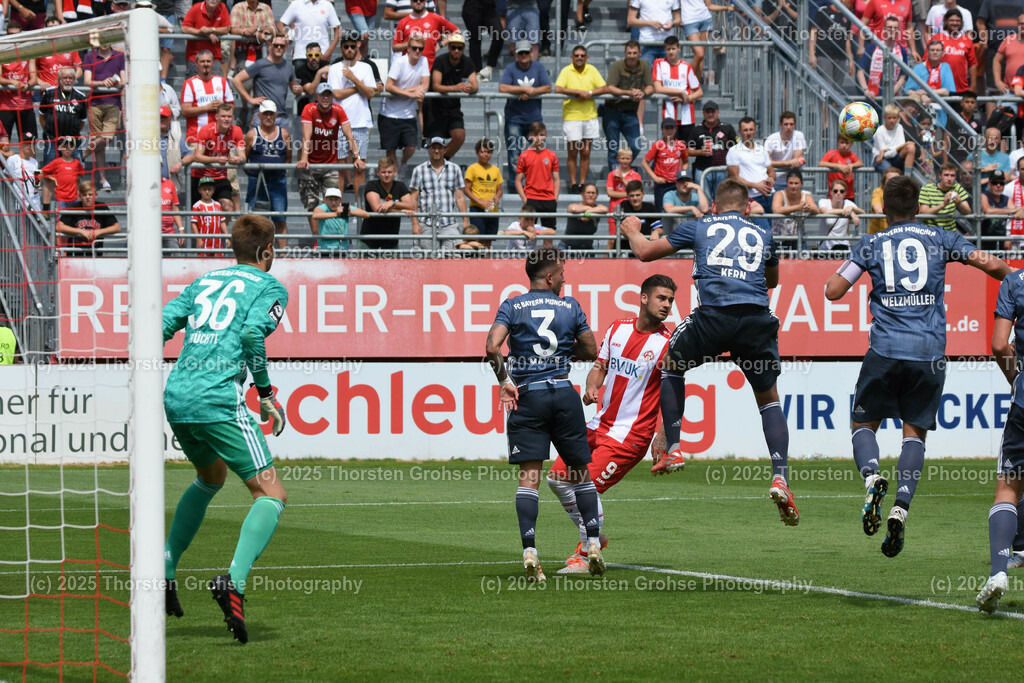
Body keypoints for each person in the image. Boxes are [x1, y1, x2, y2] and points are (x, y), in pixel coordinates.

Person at [824, 175, 1010, 557]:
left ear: (884, 208)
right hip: (929, 352)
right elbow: (987, 262)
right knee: (915, 434)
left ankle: (873, 475)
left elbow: (833, 291)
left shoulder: (871, 243)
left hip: (885, 350)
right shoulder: (941, 239)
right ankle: (900, 508)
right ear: (918, 207)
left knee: (862, 424)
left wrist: (855, 266)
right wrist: (1016, 278)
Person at [621, 179, 799, 526]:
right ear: (748, 207)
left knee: (672, 365)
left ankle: (674, 448)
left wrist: (631, 229)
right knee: (769, 399)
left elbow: (644, 251)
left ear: (714, 206)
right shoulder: (763, 233)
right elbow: (773, 280)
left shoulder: (700, 226)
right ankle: (781, 476)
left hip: (715, 314)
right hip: (755, 319)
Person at [161, 214, 289, 644]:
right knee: (271, 493)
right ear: (267, 251)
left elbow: (160, 323)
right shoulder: (270, 287)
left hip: (177, 395)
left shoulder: (204, 281)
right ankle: (232, 582)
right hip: (219, 399)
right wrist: (266, 393)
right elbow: (253, 334)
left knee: (210, 476)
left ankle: (164, 564)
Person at [484, 247, 602, 581]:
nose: (565, 279)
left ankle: (530, 551)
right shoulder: (569, 306)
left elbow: (492, 347)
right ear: (550, 276)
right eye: (562, 273)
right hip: (564, 394)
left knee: (529, 479)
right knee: (580, 473)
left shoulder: (513, 305)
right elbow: (592, 349)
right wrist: (564, 348)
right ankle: (592, 543)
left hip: (529, 397)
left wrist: (505, 381)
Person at [547, 274, 677, 573]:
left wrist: (663, 435)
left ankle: (584, 551)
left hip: (630, 436)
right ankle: (596, 537)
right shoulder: (617, 329)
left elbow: (672, 395)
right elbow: (599, 366)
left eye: (670, 300)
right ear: (643, 298)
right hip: (598, 426)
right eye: (661, 298)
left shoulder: (667, 344)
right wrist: (592, 386)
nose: (667, 305)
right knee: (556, 478)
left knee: (585, 486)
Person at [979, 257, 1024, 611]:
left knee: (1008, 487)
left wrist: (1016, 381)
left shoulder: (1015, 281)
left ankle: (999, 571)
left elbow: (998, 344)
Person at [298, 83, 364, 237]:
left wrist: (357, 157)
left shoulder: (338, 110)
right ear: (317, 97)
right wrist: (304, 159)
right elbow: (306, 136)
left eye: (328, 95)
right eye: (322, 95)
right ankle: (317, 239)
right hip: (311, 163)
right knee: (311, 204)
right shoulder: (309, 109)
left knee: (334, 203)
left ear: (332, 97)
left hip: (331, 163)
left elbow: (349, 135)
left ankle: (335, 237)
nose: (325, 98)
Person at [498, 41, 552, 190]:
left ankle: (539, 184)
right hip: (514, 118)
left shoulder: (539, 67)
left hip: (534, 119)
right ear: (516, 54)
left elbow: (548, 87)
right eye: (520, 53)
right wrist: (523, 89)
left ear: (531, 53)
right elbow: (502, 87)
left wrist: (533, 92)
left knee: (540, 153)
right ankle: (515, 186)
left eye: (526, 53)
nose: (523, 56)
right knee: (514, 154)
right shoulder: (510, 68)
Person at [554, 45, 607, 193]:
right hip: (572, 116)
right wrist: (578, 92)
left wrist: (590, 93)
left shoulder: (592, 69)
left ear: (586, 58)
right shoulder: (566, 70)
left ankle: (582, 183)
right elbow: (558, 88)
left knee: (585, 152)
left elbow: (603, 87)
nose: (579, 58)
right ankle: (573, 182)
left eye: (582, 55)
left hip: (590, 116)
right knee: (572, 152)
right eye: (576, 55)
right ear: (572, 57)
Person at [329, 34, 376, 199]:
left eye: (352, 46)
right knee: (340, 168)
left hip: (361, 122)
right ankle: (338, 206)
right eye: (346, 46)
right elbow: (337, 94)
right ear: (341, 48)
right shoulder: (335, 68)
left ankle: (359, 206)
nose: (349, 49)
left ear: (357, 48)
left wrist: (353, 79)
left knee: (360, 167)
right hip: (340, 124)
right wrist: (359, 86)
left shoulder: (366, 68)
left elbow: (371, 93)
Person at [244, 101, 291, 247]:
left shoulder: (284, 134)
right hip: (257, 181)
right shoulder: (252, 134)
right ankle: (257, 252)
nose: (268, 117)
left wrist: (281, 171)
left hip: (277, 181)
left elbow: (289, 157)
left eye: (271, 114)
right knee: (257, 221)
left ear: (276, 116)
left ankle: (283, 253)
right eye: (265, 114)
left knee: (280, 218)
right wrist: (254, 173)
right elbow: (245, 159)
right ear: (259, 115)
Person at [380, 33, 430, 172]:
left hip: (408, 114)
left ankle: (403, 162)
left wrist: (406, 91)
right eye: (414, 48)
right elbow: (388, 86)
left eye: (420, 48)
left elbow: (425, 85)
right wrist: (409, 93)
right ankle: (395, 177)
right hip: (389, 113)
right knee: (391, 151)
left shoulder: (424, 61)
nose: (417, 51)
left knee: (411, 147)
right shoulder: (399, 62)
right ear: (407, 49)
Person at [192, 104, 246, 231]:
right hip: (201, 176)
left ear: (233, 118)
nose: (226, 119)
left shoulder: (237, 130)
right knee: (198, 215)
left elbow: (243, 155)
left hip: (220, 176)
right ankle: (203, 241)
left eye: (229, 116)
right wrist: (216, 159)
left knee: (227, 207)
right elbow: (197, 156)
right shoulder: (206, 130)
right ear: (216, 117)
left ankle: (218, 235)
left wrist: (239, 159)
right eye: (223, 116)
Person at [409, 137, 470, 250]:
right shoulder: (418, 170)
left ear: (444, 150)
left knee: (453, 258)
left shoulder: (455, 169)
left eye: (439, 148)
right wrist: (415, 223)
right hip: (427, 223)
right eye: (434, 148)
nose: (437, 151)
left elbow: (460, 197)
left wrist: (465, 221)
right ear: (429, 149)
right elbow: (413, 199)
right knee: (429, 260)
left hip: (449, 222)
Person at [603, 40, 654, 172]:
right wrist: (628, 93)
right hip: (612, 110)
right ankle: (615, 178)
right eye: (629, 53)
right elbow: (610, 87)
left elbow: (650, 86)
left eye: (634, 53)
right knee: (613, 148)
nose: (632, 56)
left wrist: (642, 93)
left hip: (631, 112)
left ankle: (624, 169)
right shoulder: (617, 65)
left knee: (636, 146)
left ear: (640, 53)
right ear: (625, 53)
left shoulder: (644, 65)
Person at [231, 34, 301, 130]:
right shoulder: (260, 64)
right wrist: (250, 99)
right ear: (270, 45)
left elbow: (294, 86)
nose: (279, 48)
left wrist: (297, 88)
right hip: (262, 116)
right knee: (260, 145)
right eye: (276, 45)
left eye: (282, 46)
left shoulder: (288, 66)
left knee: (284, 145)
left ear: (286, 47)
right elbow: (236, 80)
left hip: (281, 117)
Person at [426, 33, 478, 160]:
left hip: (453, 108)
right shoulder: (440, 60)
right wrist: (456, 88)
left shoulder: (467, 62)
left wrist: (468, 88)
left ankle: (441, 161)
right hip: (435, 108)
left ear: (463, 49)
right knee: (436, 143)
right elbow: (436, 85)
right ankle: (437, 163)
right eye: (453, 47)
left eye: (459, 48)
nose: (456, 50)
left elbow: (475, 86)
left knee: (459, 136)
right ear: (448, 47)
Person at [82, 41, 125, 192]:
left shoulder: (119, 56)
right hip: (94, 102)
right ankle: (103, 179)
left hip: (113, 102)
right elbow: (87, 81)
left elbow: (123, 80)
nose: (105, 43)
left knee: (107, 138)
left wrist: (114, 83)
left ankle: (84, 152)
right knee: (99, 144)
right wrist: (102, 82)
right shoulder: (89, 56)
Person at [726, 116, 774, 231]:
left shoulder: (762, 149)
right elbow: (735, 178)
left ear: (755, 130)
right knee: (764, 232)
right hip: (751, 198)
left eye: (751, 129)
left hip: (769, 195)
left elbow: (771, 171)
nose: (748, 133)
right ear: (740, 132)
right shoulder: (734, 151)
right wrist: (756, 185)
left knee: (774, 233)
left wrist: (771, 178)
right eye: (745, 130)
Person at [652, 36, 702, 141]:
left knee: (685, 151)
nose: (671, 52)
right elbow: (657, 88)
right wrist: (680, 92)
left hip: (686, 117)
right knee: (669, 149)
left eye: (673, 49)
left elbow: (699, 92)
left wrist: (687, 98)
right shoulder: (659, 63)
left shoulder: (686, 67)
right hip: (668, 116)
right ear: (665, 49)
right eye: (668, 49)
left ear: (679, 48)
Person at [515, 122, 560, 237]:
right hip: (531, 198)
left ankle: (548, 255)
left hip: (549, 199)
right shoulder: (524, 156)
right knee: (529, 232)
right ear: (530, 135)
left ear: (545, 136)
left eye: (541, 135)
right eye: (535, 135)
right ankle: (530, 255)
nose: (539, 138)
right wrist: (525, 199)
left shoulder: (551, 155)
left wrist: (555, 198)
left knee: (549, 234)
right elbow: (518, 180)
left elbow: (556, 179)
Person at [181, 50, 235, 145]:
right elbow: (185, 111)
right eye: (202, 61)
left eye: (208, 61)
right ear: (196, 64)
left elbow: (232, 106)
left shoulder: (222, 81)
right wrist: (207, 108)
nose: (205, 64)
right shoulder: (189, 83)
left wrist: (222, 106)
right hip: (195, 138)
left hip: (221, 139)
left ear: (213, 63)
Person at [56, 178, 121, 255]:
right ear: (80, 196)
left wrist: (98, 232)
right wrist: (81, 231)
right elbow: (58, 226)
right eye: (84, 195)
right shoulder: (73, 207)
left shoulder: (102, 207)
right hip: (75, 255)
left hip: (95, 255)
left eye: (90, 194)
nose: (87, 197)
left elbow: (117, 227)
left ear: (96, 195)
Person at [362, 156, 416, 249]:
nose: (386, 175)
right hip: (369, 240)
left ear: (395, 172)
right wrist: (402, 211)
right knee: (361, 264)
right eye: (383, 172)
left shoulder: (400, 186)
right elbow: (377, 208)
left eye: (389, 172)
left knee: (394, 264)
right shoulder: (372, 185)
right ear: (378, 173)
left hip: (391, 240)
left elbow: (411, 206)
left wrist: (393, 203)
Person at [686, 100, 736, 197]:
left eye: (712, 111)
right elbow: (688, 151)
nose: (710, 114)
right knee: (704, 200)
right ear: (703, 113)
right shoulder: (696, 129)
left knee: (722, 199)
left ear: (718, 112)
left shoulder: (727, 128)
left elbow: (736, 148)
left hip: (722, 169)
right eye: (707, 112)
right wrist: (700, 152)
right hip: (702, 170)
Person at [38, 68, 87, 165]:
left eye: (70, 78)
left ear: (74, 80)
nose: (68, 80)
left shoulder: (80, 96)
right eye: (65, 78)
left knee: (76, 172)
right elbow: (41, 116)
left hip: (73, 142)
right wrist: (49, 130)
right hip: (52, 140)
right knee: (50, 171)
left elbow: (82, 121)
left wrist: (71, 131)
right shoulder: (49, 93)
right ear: (59, 79)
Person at [392, 0, 458, 69]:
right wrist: (409, 44)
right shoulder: (403, 22)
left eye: (421, 0)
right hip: (408, 69)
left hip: (429, 68)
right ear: (410, 2)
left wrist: (440, 45)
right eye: (415, 0)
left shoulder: (435, 18)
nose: (418, 2)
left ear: (425, 2)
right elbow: (395, 47)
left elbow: (457, 31)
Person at [906, 40, 956, 130]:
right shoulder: (918, 68)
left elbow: (946, 91)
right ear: (928, 52)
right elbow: (908, 90)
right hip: (919, 115)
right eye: (932, 50)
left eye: (938, 50)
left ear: (942, 53)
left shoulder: (945, 67)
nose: (935, 52)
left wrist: (926, 93)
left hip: (940, 116)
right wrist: (919, 96)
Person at [277, 0, 341, 70]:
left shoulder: (327, 5)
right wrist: (287, 37)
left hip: (322, 55)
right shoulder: (296, 4)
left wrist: (329, 52)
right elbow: (280, 25)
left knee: (323, 81)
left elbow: (337, 30)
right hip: (301, 55)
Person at [0, 25, 37, 145]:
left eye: (17, 34)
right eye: (11, 35)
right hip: (6, 106)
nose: (14, 38)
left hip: (25, 105)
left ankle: (28, 165)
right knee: (3, 145)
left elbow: (34, 78)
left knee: (29, 145)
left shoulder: (28, 53)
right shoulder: (2, 53)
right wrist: (12, 82)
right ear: (6, 36)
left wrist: (27, 84)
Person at [642, 118, 689, 211]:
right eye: (666, 128)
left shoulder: (681, 145)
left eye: (671, 128)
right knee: (660, 210)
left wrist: (682, 175)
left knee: (677, 209)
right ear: (662, 129)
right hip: (661, 183)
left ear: (676, 129)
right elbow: (644, 162)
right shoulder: (657, 145)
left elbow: (686, 161)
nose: (669, 131)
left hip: (676, 183)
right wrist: (655, 177)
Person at [856, 17, 908, 100]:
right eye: (890, 27)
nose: (892, 30)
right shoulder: (872, 47)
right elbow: (860, 70)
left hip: (892, 97)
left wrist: (893, 91)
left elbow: (903, 75)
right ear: (884, 29)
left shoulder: (902, 51)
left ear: (899, 30)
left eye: (895, 28)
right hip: (872, 96)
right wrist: (866, 90)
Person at [681, 0, 731, 79]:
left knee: (701, 56)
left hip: (705, 20)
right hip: (689, 21)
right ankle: (687, 82)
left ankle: (696, 86)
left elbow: (709, 6)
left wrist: (727, 8)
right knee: (699, 54)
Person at [809, 0, 855, 86]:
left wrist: (850, 60)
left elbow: (847, 39)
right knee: (826, 87)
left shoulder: (847, 16)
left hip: (841, 57)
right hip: (824, 55)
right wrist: (811, 54)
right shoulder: (824, 12)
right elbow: (813, 31)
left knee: (837, 90)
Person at [181, 0, 231, 77]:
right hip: (195, 56)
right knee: (194, 87)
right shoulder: (196, 8)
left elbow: (226, 29)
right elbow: (184, 28)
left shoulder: (222, 7)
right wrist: (202, 33)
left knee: (217, 87)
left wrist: (211, 30)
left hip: (215, 57)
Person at [464, 139, 503, 237]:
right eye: (483, 151)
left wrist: (497, 198)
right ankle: (479, 253)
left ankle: (487, 253)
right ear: (477, 153)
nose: (486, 154)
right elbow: (466, 189)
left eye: (489, 152)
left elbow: (499, 189)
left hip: (492, 209)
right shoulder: (472, 168)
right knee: (478, 238)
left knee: (489, 239)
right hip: (477, 208)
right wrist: (480, 202)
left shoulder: (496, 170)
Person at [313, 186, 370, 253]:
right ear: (325, 200)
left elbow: (366, 215)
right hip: (324, 248)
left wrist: (349, 211)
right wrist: (336, 214)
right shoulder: (323, 207)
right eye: (331, 199)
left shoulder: (344, 208)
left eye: (336, 199)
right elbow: (315, 215)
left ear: (340, 200)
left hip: (342, 248)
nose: (333, 202)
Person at [228, 0, 275, 78]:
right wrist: (256, 34)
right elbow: (233, 29)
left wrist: (257, 28)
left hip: (263, 50)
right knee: (246, 83)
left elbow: (272, 30)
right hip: (243, 50)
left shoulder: (266, 8)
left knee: (261, 82)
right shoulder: (237, 7)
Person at [933, 8, 977, 93]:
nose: (955, 23)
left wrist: (973, 86)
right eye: (952, 20)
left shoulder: (967, 41)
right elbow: (926, 61)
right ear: (945, 21)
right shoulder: (936, 38)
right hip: (939, 89)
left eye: (958, 21)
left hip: (961, 88)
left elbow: (973, 64)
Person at [919, 163, 971, 232]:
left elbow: (968, 212)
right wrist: (943, 205)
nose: (949, 179)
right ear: (940, 176)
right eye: (946, 175)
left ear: (955, 177)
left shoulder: (957, 188)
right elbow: (924, 212)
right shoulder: (927, 188)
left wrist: (959, 203)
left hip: (949, 233)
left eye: (952, 176)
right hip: (930, 233)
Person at [628, 0, 681, 66]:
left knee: (669, 75)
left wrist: (672, 24)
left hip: (668, 44)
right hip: (647, 43)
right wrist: (650, 23)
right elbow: (630, 20)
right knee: (646, 75)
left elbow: (678, 19)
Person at [606, 147, 642, 242]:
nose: (625, 161)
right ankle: (608, 257)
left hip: (630, 208)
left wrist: (622, 179)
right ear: (618, 158)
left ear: (631, 159)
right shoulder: (612, 174)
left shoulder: (636, 175)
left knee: (631, 239)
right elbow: (610, 193)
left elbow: (635, 190)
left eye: (627, 158)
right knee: (613, 240)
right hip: (614, 208)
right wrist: (628, 195)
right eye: (622, 158)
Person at [764, 111, 806, 192]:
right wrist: (788, 163)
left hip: (793, 181)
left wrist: (792, 162)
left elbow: (796, 160)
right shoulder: (771, 139)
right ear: (780, 125)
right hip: (775, 181)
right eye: (786, 124)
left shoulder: (799, 135)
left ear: (795, 125)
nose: (789, 127)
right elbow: (766, 162)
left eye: (791, 124)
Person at [40, 136, 85, 212]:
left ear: (73, 149)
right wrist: (52, 178)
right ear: (60, 148)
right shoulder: (56, 162)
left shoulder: (76, 163)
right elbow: (43, 172)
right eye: (65, 147)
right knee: (61, 219)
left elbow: (81, 173)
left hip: (74, 197)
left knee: (73, 219)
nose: (67, 149)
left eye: (70, 147)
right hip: (61, 198)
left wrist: (75, 179)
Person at [617, 179, 663, 251]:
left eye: (638, 195)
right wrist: (639, 237)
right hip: (626, 250)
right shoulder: (623, 206)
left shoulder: (650, 207)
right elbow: (621, 230)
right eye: (632, 196)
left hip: (644, 249)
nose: (635, 198)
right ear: (627, 196)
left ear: (643, 194)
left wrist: (656, 232)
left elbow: (659, 228)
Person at [771, 169, 819, 239]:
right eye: (791, 183)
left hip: (799, 238)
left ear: (801, 184)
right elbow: (776, 210)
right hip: (779, 239)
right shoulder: (779, 194)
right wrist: (798, 207)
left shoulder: (806, 195)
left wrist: (809, 208)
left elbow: (816, 210)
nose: (793, 186)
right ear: (786, 183)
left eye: (796, 183)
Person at [818, 178, 863, 252]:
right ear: (831, 192)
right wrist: (848, 212)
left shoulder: (848, 203)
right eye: (835, 191)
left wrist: (852, 208)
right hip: (826, 248)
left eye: (841, 191)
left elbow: (863, 212)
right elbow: (825, 212)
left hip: (843, 246)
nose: (838, 193)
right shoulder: (824, 202)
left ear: (845, 193)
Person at [462, 0, 503, 81]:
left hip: (489, 7)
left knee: (498, 34)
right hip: (472, 6)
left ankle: (489, 66)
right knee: (475, 40)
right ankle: (477, 72)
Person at [871, 104, 916, 173]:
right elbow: (886, 155)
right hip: (882, 159)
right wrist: (901, 146)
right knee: (891, 174)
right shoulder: (879, 131)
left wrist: (885, 150)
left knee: (911, 146)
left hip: (894, 156)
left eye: (894, 118)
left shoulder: (899, 127)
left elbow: (900, 145)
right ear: (884, 118)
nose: (892, 120)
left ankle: (907, 176)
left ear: (898, 118)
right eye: (889, 118)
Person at [564, 183, 608, 251]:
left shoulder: (598, 207)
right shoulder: (575, 205)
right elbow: (573, 209)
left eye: (593, 193)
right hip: (568, 248)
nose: (590, 195)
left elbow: (605, 209)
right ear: (582, 194)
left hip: (588, 249)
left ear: (597, 195)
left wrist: (589, 212)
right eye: (588, 192)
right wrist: (588, 208)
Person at [819, 134, 863, 202]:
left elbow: (860, 163)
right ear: (838, 142)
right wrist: (838, 166)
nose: (844, 145)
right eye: (842, 142)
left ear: (851, 143)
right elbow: (821, 163)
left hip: (849, 194)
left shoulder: (852, 155)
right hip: (835, 193)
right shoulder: (832, 153)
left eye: (847, 143)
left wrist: (851, 165)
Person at [191, 176, 229, 255]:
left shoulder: (217, 205)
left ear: (213, 190)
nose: (207, 192)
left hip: (217, 243)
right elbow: (194, 224)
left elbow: (222, 222)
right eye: (204, 189)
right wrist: (198, 239)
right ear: (199, 190)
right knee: (204, 264)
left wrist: (227, 237)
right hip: (204, 242)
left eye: (209, 189)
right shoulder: (197, 206)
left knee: (219, 264)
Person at [981, 169, 1013, 248]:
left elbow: (1015, 213)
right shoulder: (983, 196)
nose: (998, 185)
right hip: (984, 240)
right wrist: (1010, 210)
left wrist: (1008, 238)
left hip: (1001, 240)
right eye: (995, 183)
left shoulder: (1006, 199)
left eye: (1001, 183)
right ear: (989, 184)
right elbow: (987, 210)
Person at [868, 166, 901, 234]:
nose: (894, 182)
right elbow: (878, 210)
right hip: (877, 236)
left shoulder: (904, 194)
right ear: (884, 182)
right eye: (890, 179)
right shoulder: (878, 191)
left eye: (896, 179)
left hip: (896, 235)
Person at [1002, 157, 1024, 248]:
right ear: (1017, 169)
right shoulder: (1008, 188)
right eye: (1023, 169)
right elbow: (1004, 214)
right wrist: (1006, 237)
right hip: (1013, 238)